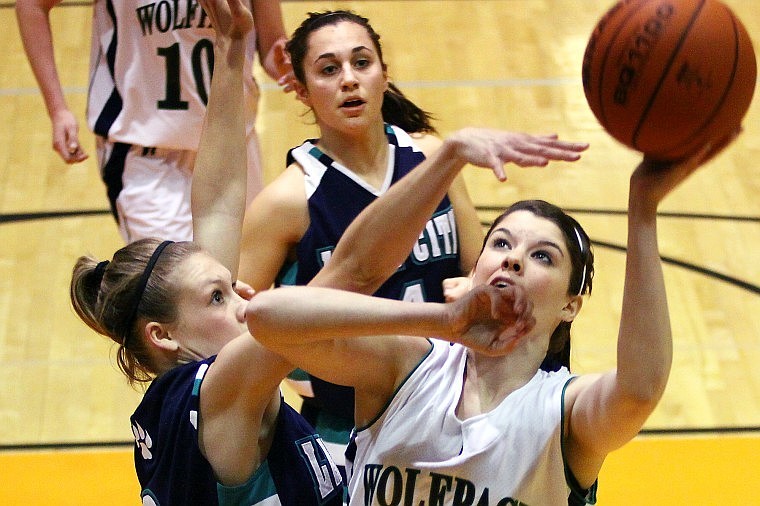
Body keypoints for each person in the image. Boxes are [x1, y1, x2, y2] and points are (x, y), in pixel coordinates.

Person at [244, 137, 735, 503]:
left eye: (543, 256)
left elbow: (641, 388)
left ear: (570, 305)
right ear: (476, 268)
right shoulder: (408, 366)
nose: (513, 260)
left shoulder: (563, 414)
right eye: (501, 244)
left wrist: (643, 210)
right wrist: (441, 320)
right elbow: (267, 318)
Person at [237, 10, 582, 462]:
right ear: (300, 89)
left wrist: (474, 288)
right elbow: (240, 330)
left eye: (362, 63)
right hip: (343, 424)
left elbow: (475, 264)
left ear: (384, 74)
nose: (349, 80)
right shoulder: (285, 202)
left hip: (452, 405)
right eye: (328, 69)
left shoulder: (433, 157)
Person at [16, 0, 292, 243]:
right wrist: (58, 109)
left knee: (242, 285)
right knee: (180, 288)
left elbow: (271, 46)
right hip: (147, 156)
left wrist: (285, 63)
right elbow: (31, 5)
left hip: (232, 145)